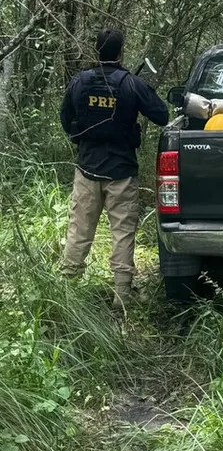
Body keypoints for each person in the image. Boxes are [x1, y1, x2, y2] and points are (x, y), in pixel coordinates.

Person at [60, 28, 169, 308]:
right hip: (121, 173)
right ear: (121, 52)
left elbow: (66, 118)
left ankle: (66, 292)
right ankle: (122, 296)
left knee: (79, 230)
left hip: (87, 169)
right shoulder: (131, 84)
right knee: (122, 233)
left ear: (96, 50)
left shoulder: (80, 81)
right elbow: (162, 114)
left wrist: (82, 142)